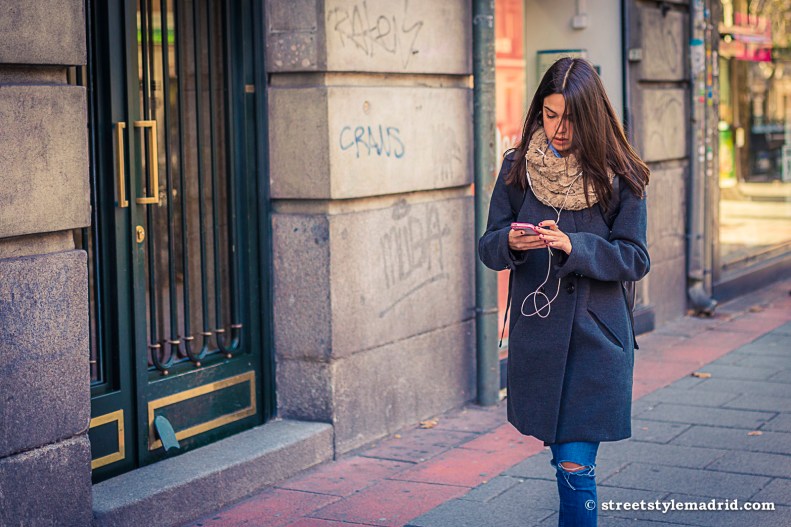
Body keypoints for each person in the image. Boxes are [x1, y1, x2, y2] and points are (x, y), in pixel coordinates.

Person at [478, 57, 650, 526]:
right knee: (563, 462)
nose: (558, 127)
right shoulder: (518, 167)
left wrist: (576, 245)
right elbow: (488, 246)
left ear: (591, 115)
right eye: (550, 115)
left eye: (570, 117)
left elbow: (635, 258)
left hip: (596, 340)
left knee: (577, 467)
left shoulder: (622, 174)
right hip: (539, 340)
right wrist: (510, 242)